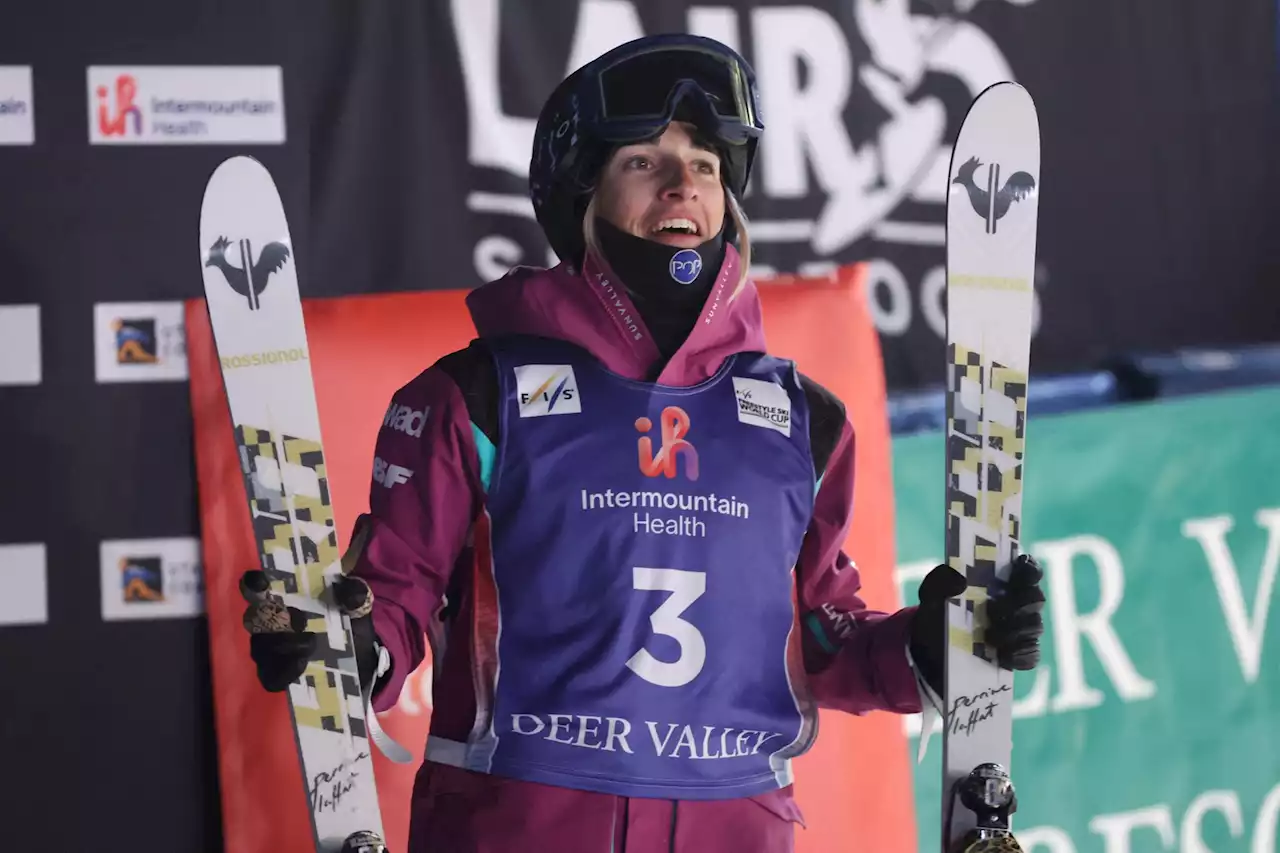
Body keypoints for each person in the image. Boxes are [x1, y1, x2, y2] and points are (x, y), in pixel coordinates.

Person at [239, 33, 1045, 853]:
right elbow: (395, 595)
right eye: (642, 161)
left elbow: (828, 638)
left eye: (703, 164)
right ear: (582, 192)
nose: (681, 185)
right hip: (519, 828)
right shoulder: (476, 396)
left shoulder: (806, 420)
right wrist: (347, 647)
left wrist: (936, 648)